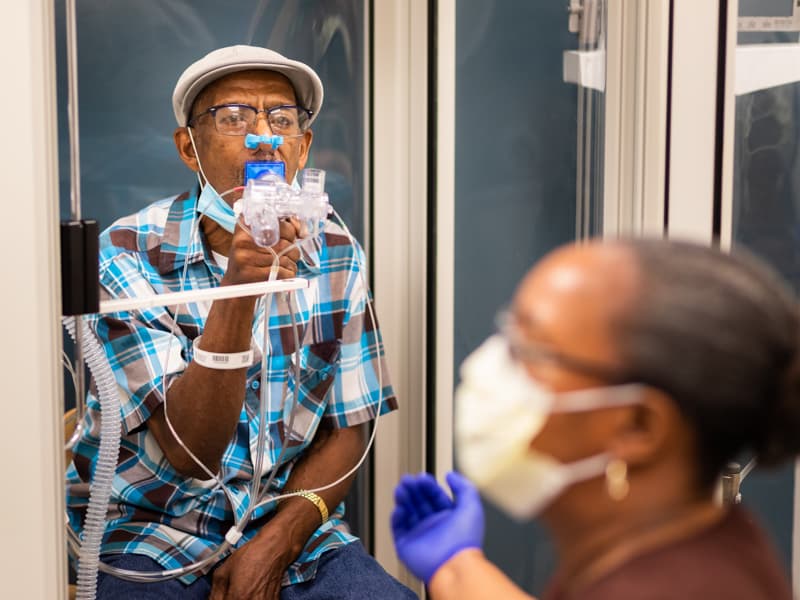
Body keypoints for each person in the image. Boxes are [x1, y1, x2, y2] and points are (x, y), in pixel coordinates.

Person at [66, 45, 416, 600]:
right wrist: (242, 283)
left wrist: (280, 539)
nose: (263, 137)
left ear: (304, 147)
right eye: (233, 117)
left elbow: (351, 427)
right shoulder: (126, 254)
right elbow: (191, 451)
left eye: (282, 118)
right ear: (189, 147)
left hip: (291, 531)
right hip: (150, 536)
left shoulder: (338, 253)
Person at [391, 238, 799, 599]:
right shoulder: (693, 550)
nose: (489, 367)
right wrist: (457, 565)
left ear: (638, 425)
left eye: (529, 350)